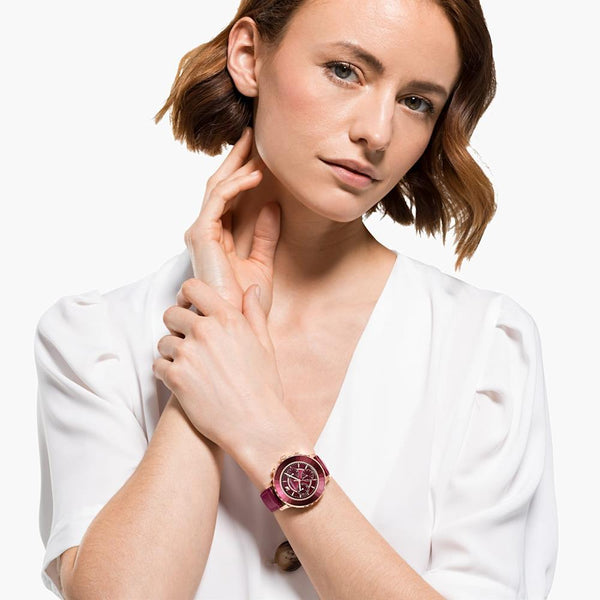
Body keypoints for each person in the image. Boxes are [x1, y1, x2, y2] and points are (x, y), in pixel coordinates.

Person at [34, 0, 558, 598]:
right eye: (345, 71)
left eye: (416, 102)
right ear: (249, 56)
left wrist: (261, 431)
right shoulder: (95, 340)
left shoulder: (484, 348)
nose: (377, 132)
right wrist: (211, 355)